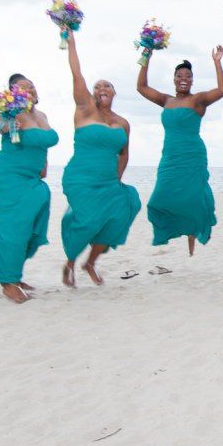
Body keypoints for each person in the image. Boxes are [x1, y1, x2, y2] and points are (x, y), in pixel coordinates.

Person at [59, 31, 143, 286]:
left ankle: (91, 263)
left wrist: (116, 179)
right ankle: (71, 263)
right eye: (97, 86)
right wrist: (71, 42)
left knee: (122, 211)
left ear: (114, 93)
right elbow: (77, 74)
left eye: (107, 85)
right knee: (88, 220)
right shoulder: (85, 110)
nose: (101, 88)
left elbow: (124, 153)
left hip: (108, 181)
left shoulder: (122, 123)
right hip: (81, 177)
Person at [0, 74, 58, 304]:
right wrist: (5, 125)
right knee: (12, 228)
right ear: (13, 94)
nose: (30, 88)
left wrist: (44, 165)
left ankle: (13, 272)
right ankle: (8, 282)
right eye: (23, 87)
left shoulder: (42, 115)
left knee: (31, 228)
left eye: (32, 84)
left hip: (31, 178)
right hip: (7, 176)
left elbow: (42, 144)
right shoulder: (10, 112)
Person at [137, 46, 223, 253]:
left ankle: (192, 235)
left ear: (192, 80)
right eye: (179, 75)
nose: (183, 78)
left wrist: (217, 62)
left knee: (193, 196)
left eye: (188, 76)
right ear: (174, 78)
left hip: (192, 155)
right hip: (170, 156)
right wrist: (146, 56)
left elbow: (222, 91)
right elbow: (141, 87)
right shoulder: (166, 100)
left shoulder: (198, 100)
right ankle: (176, 230)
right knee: (160, 197)